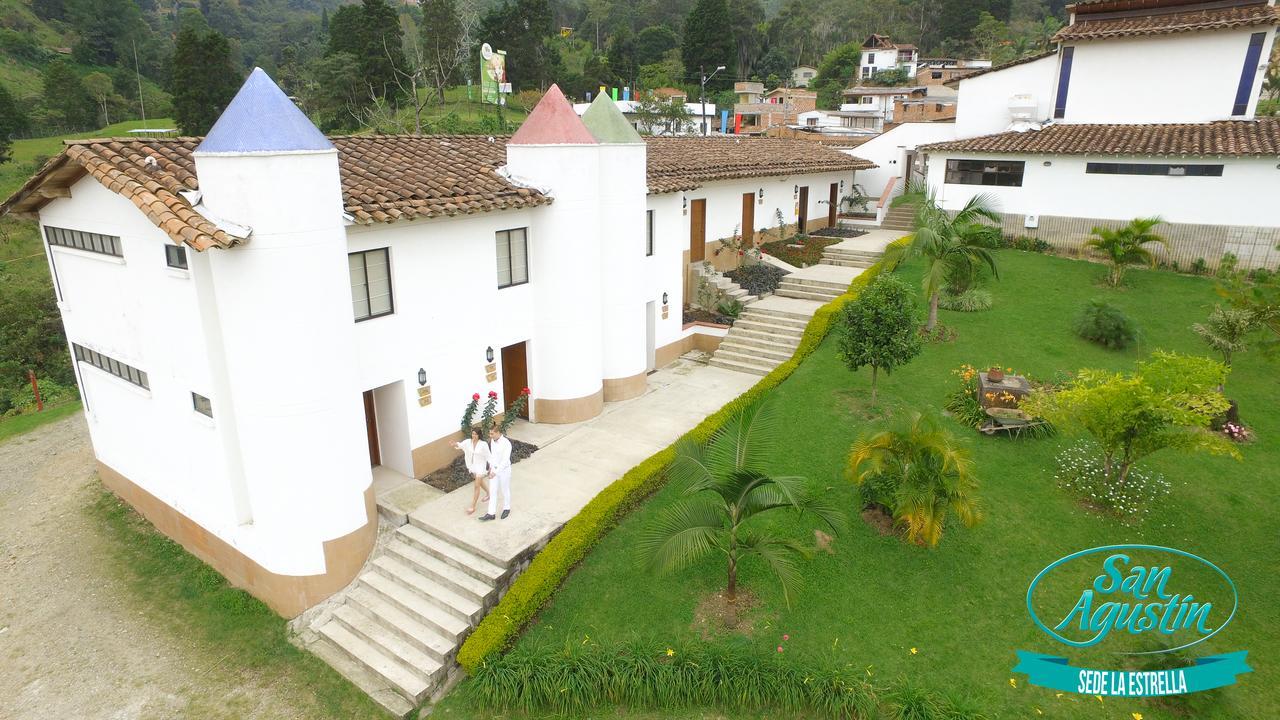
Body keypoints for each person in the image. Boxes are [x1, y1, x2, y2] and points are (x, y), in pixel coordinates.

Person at [453, 427, 490, 515]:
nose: (474, 436)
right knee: (480, 482)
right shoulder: (468, 442)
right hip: (472, 466)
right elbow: (460, 445)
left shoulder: (483, 444)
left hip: (481, 466)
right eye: (473, 434)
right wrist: (455, 444)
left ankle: (472, 506)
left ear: (479, 435)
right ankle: (489, 493)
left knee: (476, 486)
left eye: (475, 434)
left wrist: (492, 467)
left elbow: (489, 456)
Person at [480, 425, 512, 521]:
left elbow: (505, 460)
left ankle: (507, 508)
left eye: (492, 433)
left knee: (504, 489)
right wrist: (491, 468)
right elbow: (492, 456)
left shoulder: (507, 443)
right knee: (492, 491)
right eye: (490, 433)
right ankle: (491, 513)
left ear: (498, 433)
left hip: (504, 470)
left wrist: (496, 472)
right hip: (494, 470)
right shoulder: (492, 442)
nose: (490, 435)